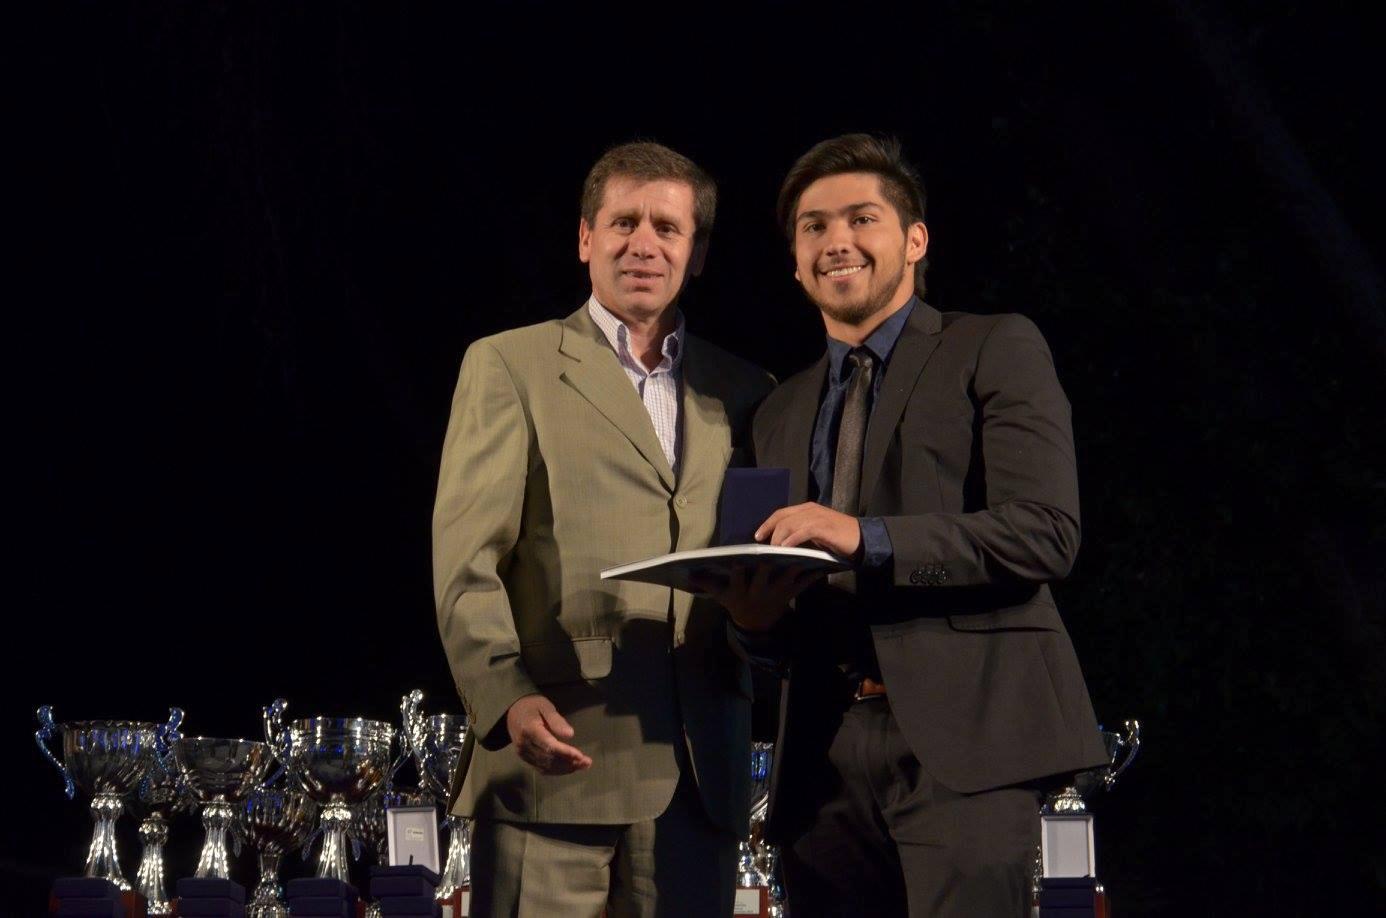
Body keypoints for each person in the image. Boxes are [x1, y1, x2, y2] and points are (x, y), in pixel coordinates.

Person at [721, 134, 1109, 917]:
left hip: (971, 744)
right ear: (795, 261)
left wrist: (869, 537)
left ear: (915, 240)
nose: (837, 241)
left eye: (862, 218)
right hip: (821, 762)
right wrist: (753, 624)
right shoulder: (776, 410)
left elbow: (1044, 533)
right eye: (813, 227)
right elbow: (774, 599)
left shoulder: (993, 346)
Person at [432, 141, 772, 916]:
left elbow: (756, 563)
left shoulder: (748, 391)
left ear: (697, 252)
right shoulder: (508, 365)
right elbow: (466, 563)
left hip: (700, 776)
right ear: (585, 239)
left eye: (666, 227)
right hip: (554, 766)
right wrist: (505, 696)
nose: (642, 243)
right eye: (622, 222)